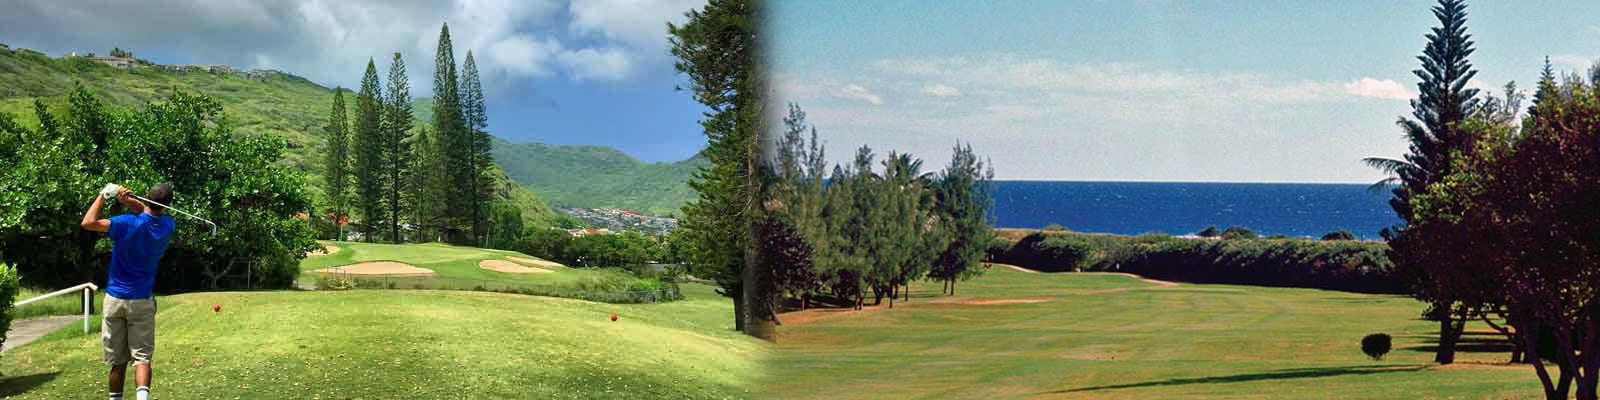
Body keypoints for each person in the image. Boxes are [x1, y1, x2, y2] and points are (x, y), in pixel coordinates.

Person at [80, 183, 176, 400]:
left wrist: (104, 195)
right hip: (142, 301)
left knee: (117, 362)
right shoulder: (168, 226)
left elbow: (88, 222)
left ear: (147, 199)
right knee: (142, 359)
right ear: (168, 205)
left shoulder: (124, 223)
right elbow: (147, 212)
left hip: (115, 300)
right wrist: (127, 200)